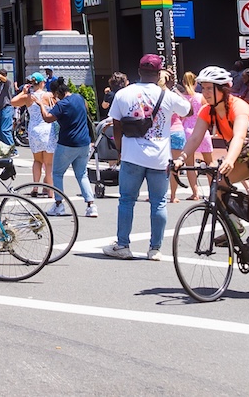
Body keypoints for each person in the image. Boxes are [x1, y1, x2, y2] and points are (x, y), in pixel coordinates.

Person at [181, 66, 249, 283]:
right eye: (204, 88)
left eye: (211, 88)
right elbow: (194, 138)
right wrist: (180, 158)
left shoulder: (239, 107)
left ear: (224, 89)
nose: (206, 92)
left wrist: (229, 160)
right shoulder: (206, 111)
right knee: (217, 188)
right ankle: (236, 225)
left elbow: (239, 137)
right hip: (244, 158)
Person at [102, 56, 191, 260]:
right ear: (159, 73)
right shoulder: (166, 95)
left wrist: (120, 150)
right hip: (159, 157)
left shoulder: (124, 93)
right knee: (159, 203)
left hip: (132, 154)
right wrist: (169, 87)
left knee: (126, 200)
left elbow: (117, 126)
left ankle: (123, 245)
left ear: (139, 71)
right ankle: (155, 249)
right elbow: (189, 109)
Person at [43, 76, 95, 218]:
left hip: (67, 143)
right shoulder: (79, 98)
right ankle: (91, 205)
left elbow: (47, 118)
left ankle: (59, 205)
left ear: (57, 93)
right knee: (82, 174)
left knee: (58, 173)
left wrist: (41, 105)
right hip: (84, 142)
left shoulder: (62, 104)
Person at [14, 73, 57, 184]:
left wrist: (23, 92)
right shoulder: (49, 96)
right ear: (42, 83)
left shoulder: (29, 97)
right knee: (48, 163)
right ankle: (50, 190)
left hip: (34, 130)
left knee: (37, 161)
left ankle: (35, 187)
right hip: (48, 130)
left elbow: (13, 102)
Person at [168, 71, 203, 203]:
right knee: (190, 164)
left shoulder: (166, 98)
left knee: (161, 166)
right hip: (189, 130)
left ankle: (163, 194)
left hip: (165, 133)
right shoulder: (196, 98)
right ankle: (194, 193)